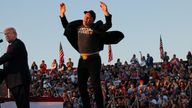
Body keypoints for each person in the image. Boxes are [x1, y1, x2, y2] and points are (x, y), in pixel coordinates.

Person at [59, 1, 124, 108]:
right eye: (85, 16)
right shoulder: (78, 26)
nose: (86, 18)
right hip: (82, 59)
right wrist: (62, 14)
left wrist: (106, 12)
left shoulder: (96, 27)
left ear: (93, 20)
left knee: (96, 86)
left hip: (94, 59)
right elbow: (66, 26)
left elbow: (108, 25)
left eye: (89, 17)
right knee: (81, 86)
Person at [0, 27, 31, 108]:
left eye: (8, 33)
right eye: (5, 34)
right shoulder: (12, 45)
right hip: (14, 81)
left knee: (22, 104)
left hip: (19, 80)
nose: (6, 36)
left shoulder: (17, 44)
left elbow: (8, 56)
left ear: (15, 34)